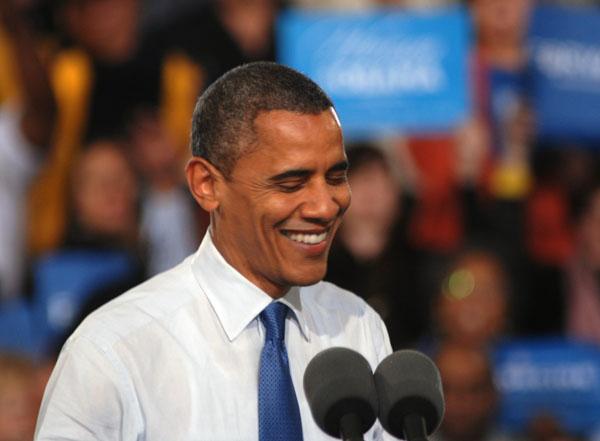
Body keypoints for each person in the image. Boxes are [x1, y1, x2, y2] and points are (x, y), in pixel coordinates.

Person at [34, 62, 392, 440]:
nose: (324, 206)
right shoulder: (113, 351)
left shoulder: (359, 327)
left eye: (336, 177)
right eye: (291, 183)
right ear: (206, 184)